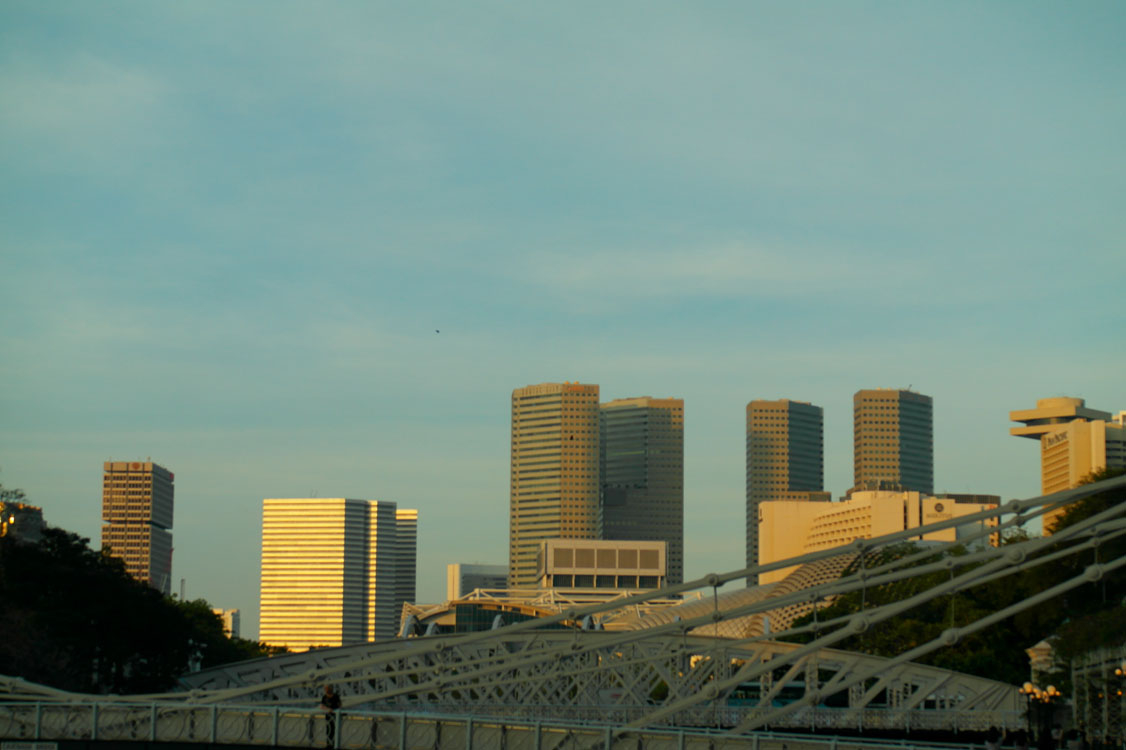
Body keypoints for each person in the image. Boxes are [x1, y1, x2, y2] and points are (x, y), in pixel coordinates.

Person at [320, 684, 342, 748]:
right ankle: (329, 744)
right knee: (328, 730)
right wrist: (328, 709)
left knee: (334, 730)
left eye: (327, 688)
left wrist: (336, 710)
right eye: (325, 689)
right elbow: (322, 706)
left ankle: (334, 744)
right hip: (328, 716)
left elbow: (340, 705)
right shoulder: (324, 697)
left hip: (335, 716)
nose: (325, 690)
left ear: (330, 689)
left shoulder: (336, 696)